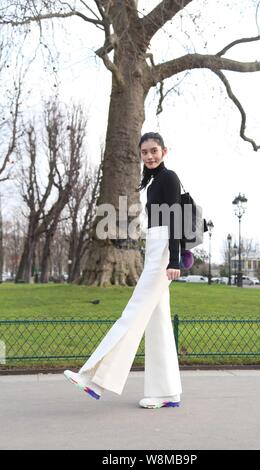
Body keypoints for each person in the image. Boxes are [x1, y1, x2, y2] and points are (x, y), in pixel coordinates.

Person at [64, 132, 183, 409]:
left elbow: (175, 219)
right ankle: (168, 393)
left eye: (154, 150)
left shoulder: (169, 178)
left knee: (133, 312)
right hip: (155, 247)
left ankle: (93, 378)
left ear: (165, 151)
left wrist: (174, 260)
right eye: (145, 152)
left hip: (164, 251)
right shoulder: (152, 182)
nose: (150, 156)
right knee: (158, 322)